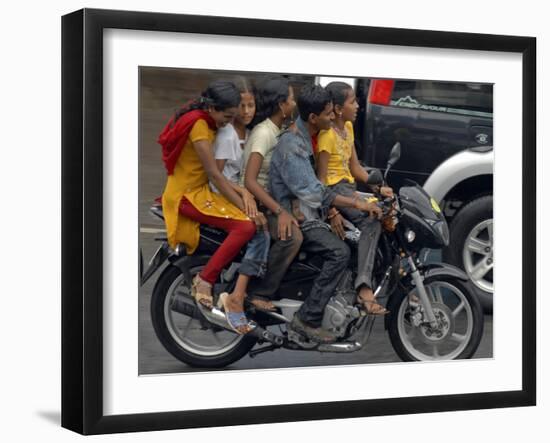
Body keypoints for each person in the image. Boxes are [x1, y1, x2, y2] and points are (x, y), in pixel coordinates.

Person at [269, 84, 383, 344]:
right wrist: (355, 205)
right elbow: (316, 191)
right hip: (296, 215)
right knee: (339, 252)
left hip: (308, 210)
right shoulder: (294, 145)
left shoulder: (309, 135)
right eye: (329, 114)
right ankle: (307, 318)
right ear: (313, 118)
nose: (333, 119)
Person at [158, 80, 257, 334]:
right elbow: (215, 174)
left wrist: (242, 192)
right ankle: (205, 280)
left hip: (196, 191)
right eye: (227, 116)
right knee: (246, 227)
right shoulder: (200, 127)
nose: (228, 121)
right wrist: (243, 206)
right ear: (212, 108)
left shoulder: (205, 119)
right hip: (187, 195)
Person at [316, 81, 393, 315]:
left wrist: (379, 188)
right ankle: (363, 287)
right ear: (338, 108)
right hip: (335, 192)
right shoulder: (326, 136)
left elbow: (356, 169)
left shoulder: (347, 128)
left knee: (390, 209)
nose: (358, 105)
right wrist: (332, 210)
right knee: (372, 218)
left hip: (348, 187)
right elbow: (320, 182)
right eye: (353, 102)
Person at [210, 77, 274, 311]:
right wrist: (244, 192)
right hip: (220, 193)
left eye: (251, 105)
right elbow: (216, 176)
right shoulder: (227, 135)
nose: (247, 111)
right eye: (242, 106)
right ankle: (239, 293)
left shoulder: (249, 133)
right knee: (260, 231)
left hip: (236, 191)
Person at [240, 75, 303, 298]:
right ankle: (260, 293)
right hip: (256, 202)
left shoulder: (279, 130)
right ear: (281, 105)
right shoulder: (264, 133)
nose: (294, 103)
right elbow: (249, 180)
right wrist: (281, 212)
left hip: (271, 200)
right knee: (292, 237)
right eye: (291, 99)